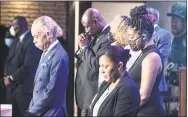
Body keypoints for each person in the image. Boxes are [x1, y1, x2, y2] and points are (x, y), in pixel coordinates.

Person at [26, 16, 69, 116]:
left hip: (53, 113)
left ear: (48, 34)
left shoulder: (59, 56)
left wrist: (32, 111)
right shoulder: (46, 52)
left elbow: (52, 92)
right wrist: (32, 108)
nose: (33, 41)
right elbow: (38, 87)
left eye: (36, 36)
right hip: (41, 111)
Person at [127, 7, 165, 116]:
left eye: (131, 36)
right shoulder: (145, 53)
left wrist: (124, 111)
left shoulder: (151, 57)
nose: (129, 40)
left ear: (143, 36)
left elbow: (143, 96)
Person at [74, 8, 112, 116]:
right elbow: (85, 59)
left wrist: (85, 48)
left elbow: (97, 65)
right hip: (86, 96)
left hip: (92, 96)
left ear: (95, 21)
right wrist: (82, 48)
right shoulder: (96, 36)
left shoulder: (107, 38)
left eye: (87, 26)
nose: (86, 30)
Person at [3, 16, 41, 116]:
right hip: (10, 90)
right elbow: (9, 61)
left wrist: (11, 78)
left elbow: (28, 66)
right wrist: (6, 77)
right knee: (6, 114)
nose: (12, 29)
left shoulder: (32, 41)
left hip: (23, 92)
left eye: (14, 26)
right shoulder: (16, 40)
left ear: (18, 27)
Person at [88, 45, 140, 116]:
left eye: (106, 66)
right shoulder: (106, 84)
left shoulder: (128, 88)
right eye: (100, 66)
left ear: (119, 66)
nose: (102, 71)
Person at [147, 7, 173, 105]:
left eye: (146, 14)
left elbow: (161, 56)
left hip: (156, 84)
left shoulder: (164, 35)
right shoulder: (139, 34)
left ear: (154, 18)